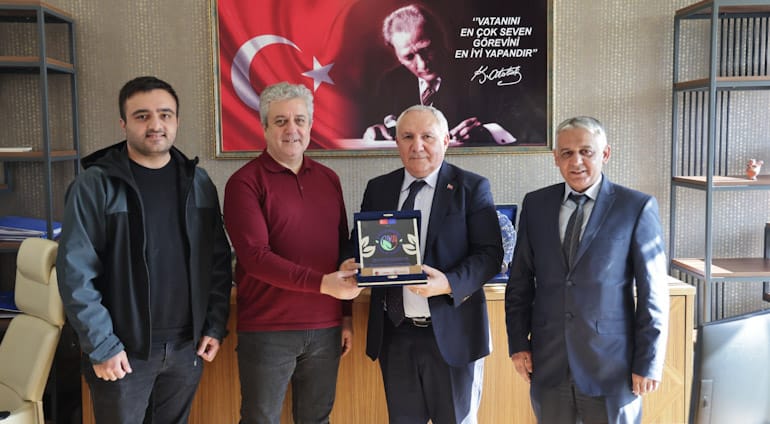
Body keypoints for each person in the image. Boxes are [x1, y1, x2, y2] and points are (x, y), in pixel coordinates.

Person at [56, 76, 233, 423]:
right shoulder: (95, 185)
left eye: (165, 115)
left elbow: (217, 261)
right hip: (122, 351)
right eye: (142, 116)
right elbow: (75, 273)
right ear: (123, 123)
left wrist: (214, 325)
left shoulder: (198, 182)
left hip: (186, 348)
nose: (155, 124)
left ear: (177, 121)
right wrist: (102, 345)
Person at [342, 104, 503, 423]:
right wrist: (350, 263)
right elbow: (359, 245)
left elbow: (490, 255)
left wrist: (448, 283)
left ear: (445, 140)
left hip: (453, 336)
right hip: (395, 336)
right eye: (407, 137)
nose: (417, 145)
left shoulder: (471, 187)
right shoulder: (379, 188)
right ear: (396, 142)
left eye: (427, 136)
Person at [505, 116, 669, 423]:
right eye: (567, 153)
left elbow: (653, 293)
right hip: (549, 365)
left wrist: (648, 361)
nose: (576, 161)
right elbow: (520, 282)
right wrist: (518, 344)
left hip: (613, 367)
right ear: (555, 158)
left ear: (605, 153)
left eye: (586, 152)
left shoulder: (635, 207)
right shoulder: (536, 204)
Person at [223, 82, 362, 424]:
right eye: (280, 121)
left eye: (300, 120)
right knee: (260, 420)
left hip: (326, 327)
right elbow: (255, 257)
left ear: (310, 125)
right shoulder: (244, 182)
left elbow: (341, 251)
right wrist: (323, 284)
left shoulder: (329, 179)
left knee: (317, 420)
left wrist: (345, 315)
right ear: (264, 127)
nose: (292, 129)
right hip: (268, 328)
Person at [363, 4, 517, 146]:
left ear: (441, 39)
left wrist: (487, 132)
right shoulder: (390, 83)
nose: (422, 64)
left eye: (427, 49)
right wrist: (373, 131)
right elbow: (374, 123)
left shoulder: (482, 74)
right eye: (409, 57)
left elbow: (520, 124)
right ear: (397, 56)